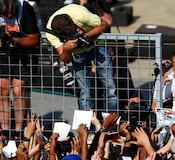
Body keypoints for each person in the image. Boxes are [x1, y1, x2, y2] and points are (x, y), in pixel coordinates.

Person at [45, 4, 118, 112]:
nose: (74, 36)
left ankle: (111, 122)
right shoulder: (50, 33)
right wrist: (66, 49)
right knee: (85, 92)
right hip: (78, 54)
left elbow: (104, 24)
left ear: (74, 24)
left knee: (110, 86)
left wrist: (86, 36)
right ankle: (86, 126)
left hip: (98, 44)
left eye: (75, 32)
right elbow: (65, 59)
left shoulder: (79, 14)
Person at [0, 0, 40, 139]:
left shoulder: (25, 8)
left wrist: (14, 40)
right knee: (2, 90)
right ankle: (5, 131)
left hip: (24, 53)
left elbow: (35, 39)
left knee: (19, 90)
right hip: (3, 54)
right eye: (5, 13)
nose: (9, 15)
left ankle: (19, 131)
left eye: (12, 11)